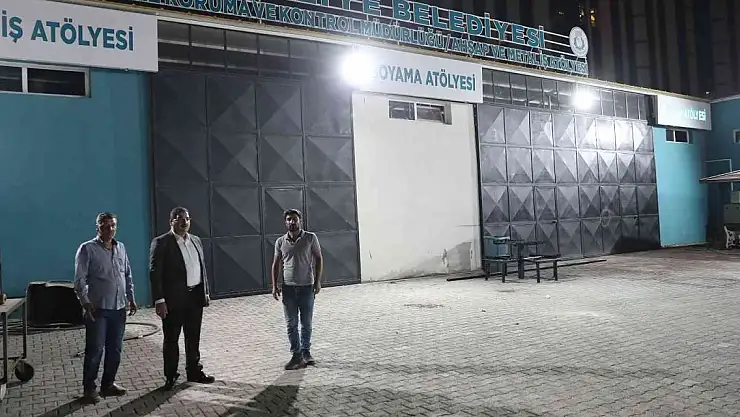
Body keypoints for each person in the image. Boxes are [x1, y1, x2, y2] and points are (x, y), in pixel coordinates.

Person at [73, 212, 137, 404]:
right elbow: (79, 279)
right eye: (105, 225)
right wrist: (85, 302)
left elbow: (127, 275)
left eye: (113, 225)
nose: (110, 229)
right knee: (95, 351)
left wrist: (131, 298)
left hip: (119, 308)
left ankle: (108, 384)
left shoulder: (121, 248)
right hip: (98, 309)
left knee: (115, 349)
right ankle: (89, 389)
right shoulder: (87, 249)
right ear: (97, 228)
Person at [149, 207, 215, 390]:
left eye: (186, 218)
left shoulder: (196, 241)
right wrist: (159, 300)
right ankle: (171, 376)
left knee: (193, 337)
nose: (183, 222)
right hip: (173, 301)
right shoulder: (161, 242)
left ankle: (194, 371)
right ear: (171, 222)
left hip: (195, 298)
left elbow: (201, 268)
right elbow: (155, 273)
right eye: (179, 218)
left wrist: (205, 292)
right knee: (171, 339)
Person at [271, 209, 324, 370]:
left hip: (307, 287)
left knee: (306, 323)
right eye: (289, 219)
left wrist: (317, 282)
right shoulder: (280, 242)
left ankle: (306, 352)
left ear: (300, 220)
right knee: (291, 324)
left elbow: (319, 258)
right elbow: (276, 264)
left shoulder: (310, 238)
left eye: (294, 219)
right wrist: (274, 285)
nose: (292, 222)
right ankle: (296, 355)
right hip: (288, 289)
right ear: (285, 222)